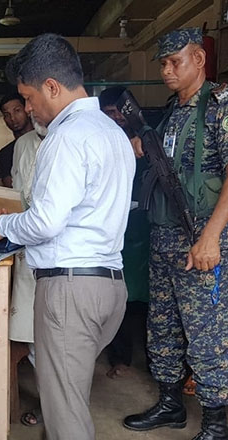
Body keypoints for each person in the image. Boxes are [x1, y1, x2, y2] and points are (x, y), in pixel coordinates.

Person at [0, 33, 136, 440]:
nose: (27, 109)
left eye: (28, 98)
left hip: (71, 290)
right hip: (109, 285)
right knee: (66, 401)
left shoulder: (65, 137)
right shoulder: (110, 131)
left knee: (66, 416)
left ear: (52, 86)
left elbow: (47, 222)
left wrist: (3, 227)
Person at [122, 28, 228, 440]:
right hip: (166, 243)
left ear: (198, 58)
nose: (166, 70)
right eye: (162, 63)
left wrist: (212, 237)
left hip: (204, 245)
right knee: (163, 328)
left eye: (173, 61)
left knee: (208, 337)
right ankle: (170, 404)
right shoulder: (172, 113)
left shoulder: (223, 105)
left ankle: (216, 431)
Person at [98, 86, 151, 380]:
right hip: (115, 229)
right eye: (109, 113)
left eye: (120, 111)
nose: (116, 117)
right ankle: (121, 357)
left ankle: (152, 360)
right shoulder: (100, 143)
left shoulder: (148, 140)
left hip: (145, 228)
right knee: (120, 298)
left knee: (145, 299)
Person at [9, 114, 47, 427]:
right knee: (32, 334)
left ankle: (59, 410)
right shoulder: (22, 143)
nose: (29, 111)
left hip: (60, 258)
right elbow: (16, 194)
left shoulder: (71, 140)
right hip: (25, 249)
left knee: (59, 339)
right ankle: (49, 405)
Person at [0, 92, 33, 187]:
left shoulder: (45, 141)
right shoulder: (5, 154)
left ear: (27, 110)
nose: (12, 118)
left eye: (17, 111)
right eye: (7, 114)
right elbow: (10, 188)